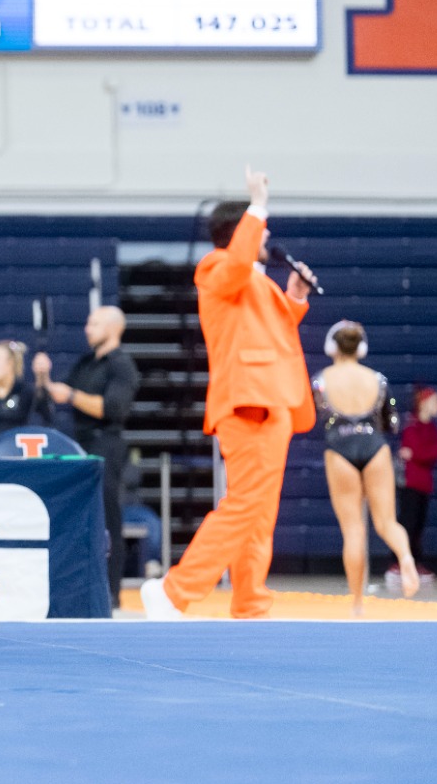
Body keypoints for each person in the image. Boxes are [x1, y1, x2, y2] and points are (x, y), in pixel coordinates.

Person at [142, 170, 314, 620]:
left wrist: (294, 298)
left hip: (272, 402)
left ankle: (250, 602)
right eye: (259, 226)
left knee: (259, 513)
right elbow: (238, 268)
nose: (267, 233)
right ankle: (175, 591)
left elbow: (272, 336)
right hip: (249, 403)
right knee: (244, 506)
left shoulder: (257, 280)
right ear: (240, 231)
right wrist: (257, 204)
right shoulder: (218, 268)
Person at [34, 307, 139, 606]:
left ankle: (112, 593)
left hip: (106, 446)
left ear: (114, 328)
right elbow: (54, 398)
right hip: (79, 445)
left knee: (108, 517)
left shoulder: (122, 366)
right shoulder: (84, 363)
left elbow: (113, 408)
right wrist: (43, 377)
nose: (87, 328)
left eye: (94, 323)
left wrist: (70, 396)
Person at [309, 321, 416, 612]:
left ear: (332, 347)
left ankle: (357, 604)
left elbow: (311, 417)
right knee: (387, 523)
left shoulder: (321, 379)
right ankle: (405, 557)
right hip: (374, 447)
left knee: (354, 529)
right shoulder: (377, 379)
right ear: (361, 347)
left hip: (339, 448)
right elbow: (391, 422)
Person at [396, 386, 437, 586]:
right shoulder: (412, 427)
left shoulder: (430, 428)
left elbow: (425, 455)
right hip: (411, 484)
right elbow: (422, 453)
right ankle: (398, 564)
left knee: (418, 527)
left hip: (423, 484)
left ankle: (414, 562)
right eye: (436, 401)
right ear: (424, 403)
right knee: (408, 524)